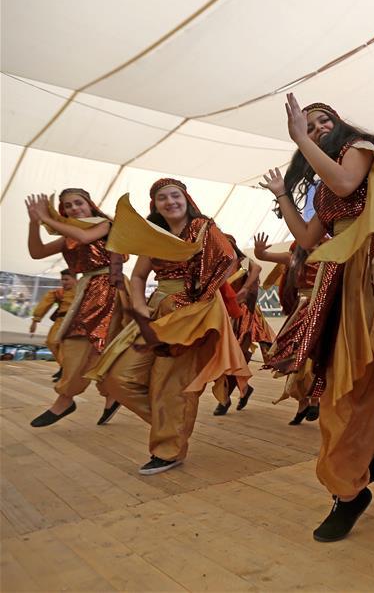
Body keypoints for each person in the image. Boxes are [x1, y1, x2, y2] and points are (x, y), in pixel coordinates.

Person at [262, 95, 374, 542]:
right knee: (340, 380)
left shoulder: (361, 150)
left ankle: (350, 486)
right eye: (309, 124)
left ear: (340, 125)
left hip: (373, 263)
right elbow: (307, 236)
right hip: (338, 270)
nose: (317, 126)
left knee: (350, 380)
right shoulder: (322, 185)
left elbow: (348, 186)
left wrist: (301, 139)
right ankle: (356, 471)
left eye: (324, 120)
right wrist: (284, 194)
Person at [88, 178, 250, 475]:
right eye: (162, 198)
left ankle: (169, 448)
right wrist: (138, 307)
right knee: (115, 377)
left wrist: (202, 291)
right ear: (155, 205)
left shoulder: (204, 227)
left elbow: (230, 260)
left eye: (175, 195)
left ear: (186, 198)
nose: (170, 201)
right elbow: (137, 277)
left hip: (194, 312)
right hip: (156, 309)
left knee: (172, 385)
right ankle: (171, 424)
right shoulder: (154, 234)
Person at [25, 190, 121, 427]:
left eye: (79, 203)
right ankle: (111, 395)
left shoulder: (105, 224)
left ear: (90, 204)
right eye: (68, 206)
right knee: (97, 349)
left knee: (80, 343)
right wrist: (34, 223)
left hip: (106, 286)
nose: (74, 208)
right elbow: (37, 253)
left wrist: (47, 219)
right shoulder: (69, 236)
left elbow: (85, 237)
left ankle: (65, 400)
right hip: (88, 288)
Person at [256, 232, 324, 425]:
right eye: (312, 240)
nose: (315, 245)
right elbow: (265, 257)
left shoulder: (330, 258)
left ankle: (314, 400)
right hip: (301, 311)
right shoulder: (293, 258)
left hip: (321, 310)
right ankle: (303, 403)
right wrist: (259, 252)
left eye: (319, 241)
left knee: (314, 357)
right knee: (295, 357)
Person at [211, 235, 275, 416]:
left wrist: (246, 288)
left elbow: (257, 268)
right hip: (224, 315)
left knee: (236, 353)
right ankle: (244, 388)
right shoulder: (216, 266)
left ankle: (226, 398)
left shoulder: (242, 261)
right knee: (223, 356)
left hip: (245, 313)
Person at [30, 269, 77, 381]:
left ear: (75, 280)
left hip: (76, 323)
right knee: (51, 342)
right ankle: (64, 367)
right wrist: (35, 321)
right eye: (62, 280)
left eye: (67, 279)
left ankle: (66, 371)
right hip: (61, 321)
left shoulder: (84, 291)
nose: (64, 282)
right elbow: (45, 303)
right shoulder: (59, 293)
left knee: (68, 348)